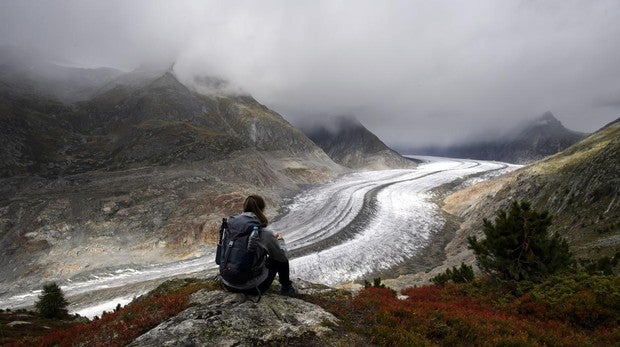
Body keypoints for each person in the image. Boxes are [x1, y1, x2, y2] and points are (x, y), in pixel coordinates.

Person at [221, 195, 297, 297]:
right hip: (251, 288)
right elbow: (282, 256)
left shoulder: (230, 225)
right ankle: (286, 288)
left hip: (227, 282)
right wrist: (279, 240)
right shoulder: (262, 232)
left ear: (244, 207)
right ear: (262, 209)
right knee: (278, 257)